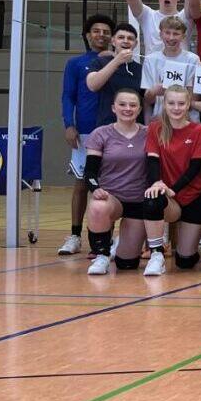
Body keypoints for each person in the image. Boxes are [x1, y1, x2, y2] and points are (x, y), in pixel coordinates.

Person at [142, 85, 201, 277]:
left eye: (181, 103)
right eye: (171, 103)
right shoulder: (156, 128)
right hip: (169, 195)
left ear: (189, 104)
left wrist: (173, 188)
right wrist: (157, 183)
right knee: (152, 198)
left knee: (185, 262)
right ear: (164, 104)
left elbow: (196, 168)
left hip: (193, 195)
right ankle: (157, 255)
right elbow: (152, 161)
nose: (176, 108)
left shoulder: (200, 130)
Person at [58, 15, 114, 256]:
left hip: (113, 132)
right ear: (88, 34)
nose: (101, 34)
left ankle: (106, 238)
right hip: (85, 132)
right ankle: (74, 235)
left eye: (105, 31)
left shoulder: (118, 61)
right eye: (96, 30)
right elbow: (67, 96)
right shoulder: (76, 63)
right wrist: (69, 124)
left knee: (112, 186)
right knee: (81, 184)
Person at [84, 89, 151, 276]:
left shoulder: (149, 133)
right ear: (113, 108)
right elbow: (89, 171)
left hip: (138, 202)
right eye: (122, 104)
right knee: (98, 206)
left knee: (127, 265)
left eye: (132, 105)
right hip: (111, 198)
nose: (127, 108)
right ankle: (102, 255)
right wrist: (95, 188)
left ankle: (121, 246)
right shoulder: (101, 134)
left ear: (139, 109)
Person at [140, 16, 198, 118]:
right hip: (159, 118)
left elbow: (193, 98)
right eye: (167, 33)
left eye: (176, 34)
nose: (171, 38)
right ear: (160, 34)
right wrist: (153, 92)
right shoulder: (150, 59)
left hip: (186, 119)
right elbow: (147, 101)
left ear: (183, 36)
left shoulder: (193, 60)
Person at [86, 22, 143, 126]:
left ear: (136, 43)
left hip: (135, 127)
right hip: (107, 126)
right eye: (121, 37)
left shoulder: (141, 69)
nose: (125, 41)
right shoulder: (100, 62)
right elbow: (92, 85)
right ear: (113, 41)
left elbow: (146, 101)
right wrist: (117, 60)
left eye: (130, 38)